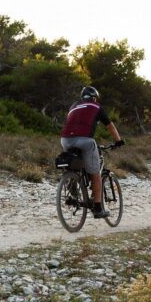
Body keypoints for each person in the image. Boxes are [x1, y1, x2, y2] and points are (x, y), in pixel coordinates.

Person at [60, 86, 124, 218]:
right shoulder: (96, 106)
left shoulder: (74, 106)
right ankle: (98, 208)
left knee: (75, 162)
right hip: (85, 141)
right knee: (95, 173)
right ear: (94, 97)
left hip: (65, 140)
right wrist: (118, 141)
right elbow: (110, 126)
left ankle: (73, 186)